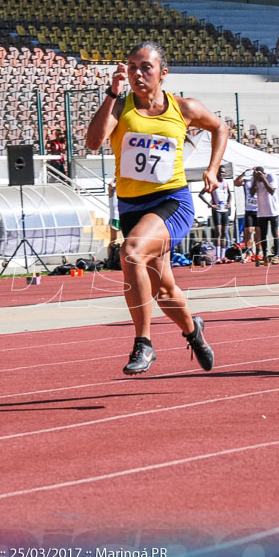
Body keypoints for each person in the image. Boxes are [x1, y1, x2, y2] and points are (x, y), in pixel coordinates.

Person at [85, 41, 227, 376]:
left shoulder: (184, 108)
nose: (137, 73)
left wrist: (213, 168)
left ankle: (144, 343)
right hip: (133, 207)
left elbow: (220, 127)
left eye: (145, 67)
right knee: (163, 291)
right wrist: (111, 93)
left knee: (131, 252)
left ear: (163, 73)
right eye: (132, 66)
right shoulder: (121, 108)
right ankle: (194, 331)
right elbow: (92, 143)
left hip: (171, 202)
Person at [198, 166, 231, 263]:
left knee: (224, 233)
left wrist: (229, 203)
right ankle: (217, 257)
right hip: (216, 210)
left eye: (224, 173)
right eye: (220, 173)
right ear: (217, 173)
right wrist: (210, 205)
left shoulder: (226, 182)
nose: (222, 174)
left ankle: (223, 256)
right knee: (219, 233)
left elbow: (230, 194)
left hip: (224, 210)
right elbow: (201, 194)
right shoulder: (213, 182)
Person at [252, 166, 279, 266]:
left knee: (274, 233)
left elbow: (271, 191)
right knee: (263, 235)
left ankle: (276, 255)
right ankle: (264, 255)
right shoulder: (255, 179)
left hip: (273, 211)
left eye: (259, 176)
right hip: (262, 212)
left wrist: (263, 179)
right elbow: (251, 193)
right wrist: (255, 180)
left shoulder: (271, 176)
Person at [234, 169, 260, 262]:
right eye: (254, 171)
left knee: (258, 233)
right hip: (249, 210)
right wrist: (243, 174)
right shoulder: (247, 180)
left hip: (259, 210)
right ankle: (248, 253)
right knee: (248, 232)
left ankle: (258, 253)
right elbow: (236, 183)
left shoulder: (261, 181)